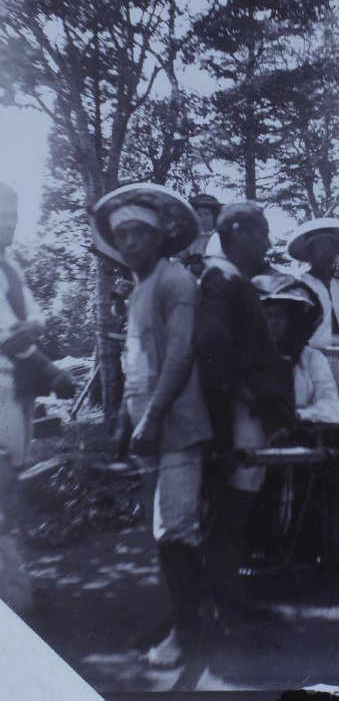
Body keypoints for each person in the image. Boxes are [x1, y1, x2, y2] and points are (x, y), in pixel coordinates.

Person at [92, 182, 213, 668]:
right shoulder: (139, 288)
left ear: (161, 238)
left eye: (139, 233)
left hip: (179, 424)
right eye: (121, 235)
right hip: (149, 428)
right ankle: (179, 620)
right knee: (162, 531)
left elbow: (181, 355)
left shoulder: (176, 282)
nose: (128, 243)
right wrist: (124, 420)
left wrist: (153, 416)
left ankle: (188, 636)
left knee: (177, 530)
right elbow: (135, 360)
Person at [195, 202, 295, 627]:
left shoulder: (234, 277)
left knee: (240, 506)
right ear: (237, 231)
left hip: (250, 406)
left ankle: (230, 598)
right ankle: (225, 606)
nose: (270, 242)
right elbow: (213, 344)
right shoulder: (221, 276)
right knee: (232, 509)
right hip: (239, 412)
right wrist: (243, 390)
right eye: (264, 232)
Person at [0, 183, 75, 470]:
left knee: (18, 459)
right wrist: (52, 372)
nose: (9, 223)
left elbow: (36, 314)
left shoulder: (12, 266)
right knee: (4, 467)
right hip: (3, 377)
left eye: (13, 216)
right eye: (1, 215)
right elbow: (6, 334)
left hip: (20, 379)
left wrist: (31, 326)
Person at [254, 274, 339, 426]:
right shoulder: (249, 357)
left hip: (304, 430)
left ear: (290, 321)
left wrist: (302, 415)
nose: (273, 323)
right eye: (267, 316)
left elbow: (330, 401)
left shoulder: (310, 358)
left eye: (280, 316)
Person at [288, 218, 339, 401]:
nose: (328, 253)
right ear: (310, 252)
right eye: (322, 248)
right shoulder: (300, 285)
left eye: (332, 248)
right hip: (311, 360)